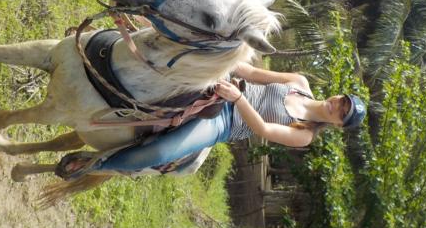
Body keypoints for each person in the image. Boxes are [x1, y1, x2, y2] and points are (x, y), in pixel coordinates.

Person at [56, 62, 366, 179]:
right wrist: (224, 58)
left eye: (343, 112)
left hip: (225, 122)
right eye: (343, 100)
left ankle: (95, 164)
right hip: (227, 86)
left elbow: (262, 128)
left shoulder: (305, 135)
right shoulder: (299, 81)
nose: (337, 105)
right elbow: (253, 73)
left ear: (339, 125)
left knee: (162, 152)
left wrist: (238, 99)